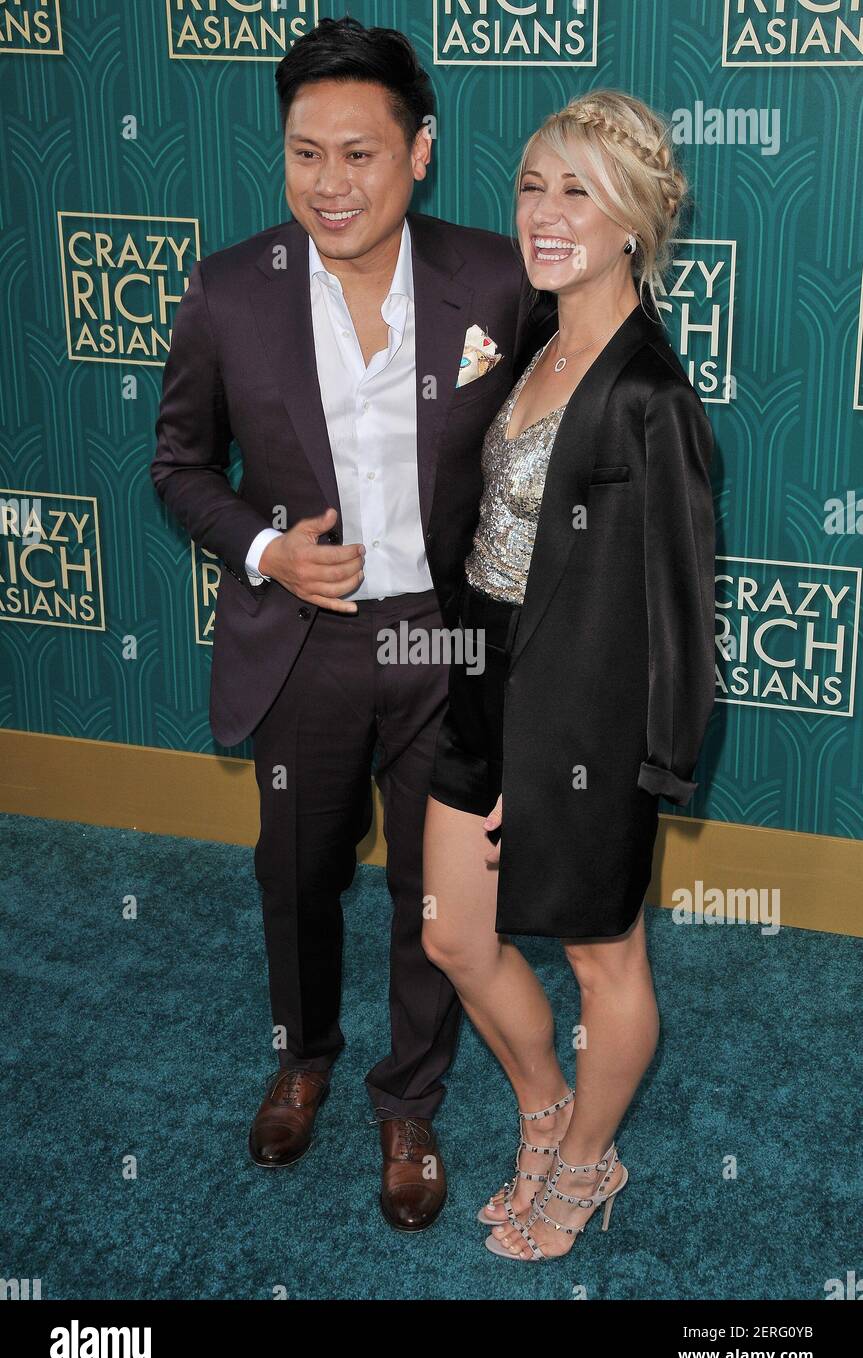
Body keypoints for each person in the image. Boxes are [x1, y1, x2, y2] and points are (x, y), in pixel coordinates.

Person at [150, 15, 553, 1231]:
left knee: (436, 899)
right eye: (305, 153)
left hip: (441, 639)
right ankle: (305, 1053)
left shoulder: (493, 278)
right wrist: (269, 550)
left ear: (419, 151)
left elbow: (556, 438)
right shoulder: (229, 290)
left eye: (360, 154)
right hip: (308, 643)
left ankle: (409, 1100)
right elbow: (179, 463)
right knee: (296, 876)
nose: (330, 184)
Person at [422, 90, 716, 1260]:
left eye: (576, 190)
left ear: (632, 217)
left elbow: (680, 607)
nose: (543, 213)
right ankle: (545, 1109)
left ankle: (589, 1162)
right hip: (481, 675)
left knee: (604, 955)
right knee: (452, 931)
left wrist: (650, 762)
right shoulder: (534, 342)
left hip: (586, 710)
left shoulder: (650, 395)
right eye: (533, 184)